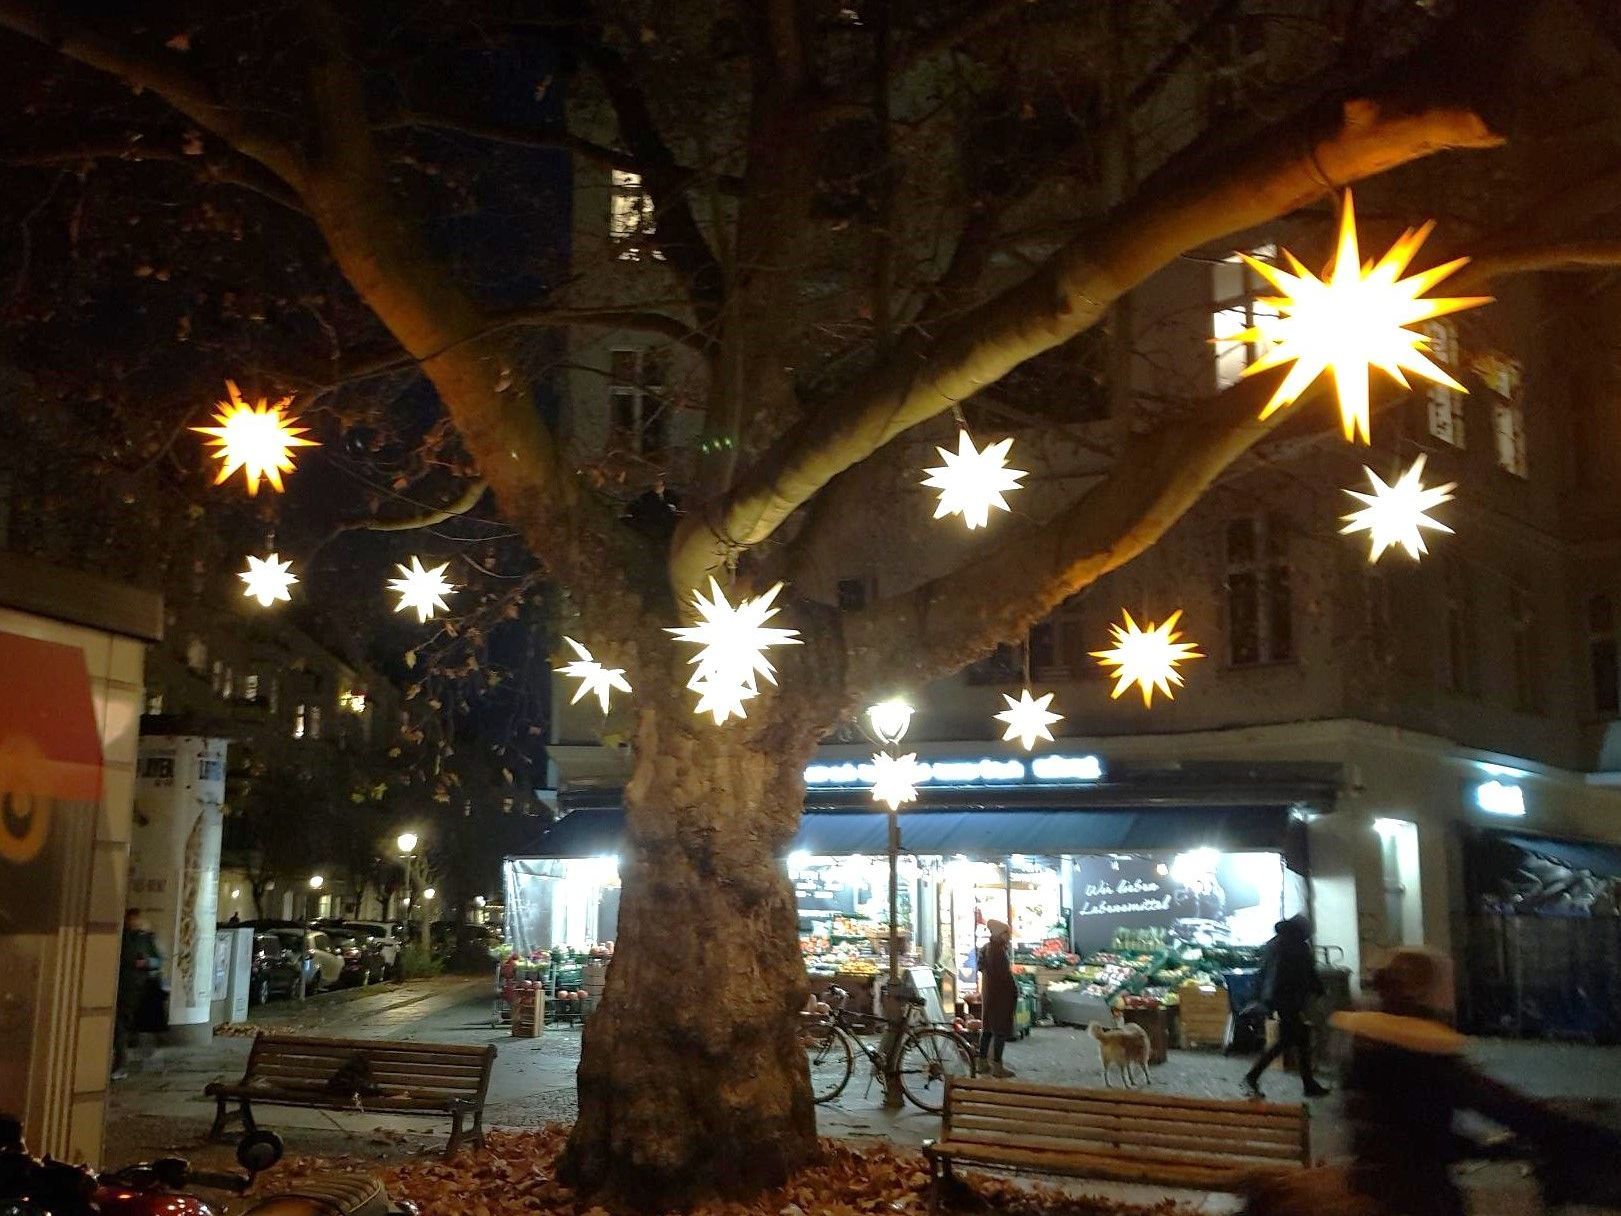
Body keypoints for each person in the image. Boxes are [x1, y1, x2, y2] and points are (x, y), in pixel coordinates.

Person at [1243, 914, 1328, 1099]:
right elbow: (1306, 973)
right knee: (1287, 1040)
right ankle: (1252, 1076)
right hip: (1288, 998)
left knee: (1298, 1038)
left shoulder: (1274, 943)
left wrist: (1259, 997)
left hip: (1275, 997)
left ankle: (1309, 1084)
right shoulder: (1297, 946)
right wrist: (1319, 990)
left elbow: (1263, 972)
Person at [113, 908, 160, 1079]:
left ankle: (134, 1057)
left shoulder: (146, 938)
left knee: (134, 1026)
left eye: (135, 919)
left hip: (140, 989)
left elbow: (158, 960)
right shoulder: (122, 937)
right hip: (123, 988)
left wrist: (146, 962)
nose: (133, 922)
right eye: (130, 919)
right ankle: (121, 1063)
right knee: (120, 1027)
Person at [976, 919, 1017, 1078]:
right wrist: (1014, 990)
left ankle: (982, 1062)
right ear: (1000, 934)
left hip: (990, 994)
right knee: (999, 1031)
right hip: (1000, 996)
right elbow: (1004, 976)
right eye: (1006, 933)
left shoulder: (987, 948)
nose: (1008, 936)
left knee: (987, 1029)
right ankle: (997, 1066)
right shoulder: (997, 951)